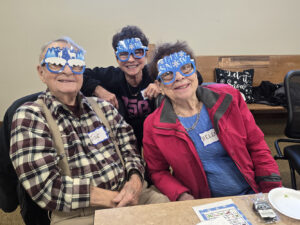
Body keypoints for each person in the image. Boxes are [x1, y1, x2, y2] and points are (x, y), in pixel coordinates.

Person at [10, 37, 168, 225]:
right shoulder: (30, 116)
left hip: (134, 196)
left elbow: (131, 150)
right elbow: (47, 187)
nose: (68, 70)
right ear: (41, 72)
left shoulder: (105, 108)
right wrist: (115, 199)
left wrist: (134, 182)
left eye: (76, 64)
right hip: (78, 213)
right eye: (57, 64)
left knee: (172, 211)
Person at [143, 41, 282, 202]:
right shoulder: (153, 126)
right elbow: (158, 172)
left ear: (195, 71)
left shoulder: (228, 98)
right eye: (168, 74)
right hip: (203, 203)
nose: (180, 77)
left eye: (185, 68)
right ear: (159, 86)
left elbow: (257, 145)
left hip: (251, 193)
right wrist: (181, 195)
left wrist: (270, 190)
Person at [81, 25, 204, 153]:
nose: (131, 59)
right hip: (124, 139)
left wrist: (162, 85)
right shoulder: (111, 75)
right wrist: (98, 89)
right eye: (124, 54)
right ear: (117, 58)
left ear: (146, 54)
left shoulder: (155, 71)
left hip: (159, 133)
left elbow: (197, 77)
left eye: (138, 52)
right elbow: (78, 76)